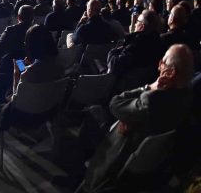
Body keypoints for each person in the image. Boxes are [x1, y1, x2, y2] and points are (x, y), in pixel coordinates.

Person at [80, 44, 194, 192]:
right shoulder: (188, 96)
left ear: (170, 72)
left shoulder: (152, 99)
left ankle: (82, 178)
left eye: (163, 61)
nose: (160, 63)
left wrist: (149, 88)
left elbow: (115, 104)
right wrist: (130, 117)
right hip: (145, 159)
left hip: (120, 152)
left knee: (92, 112)